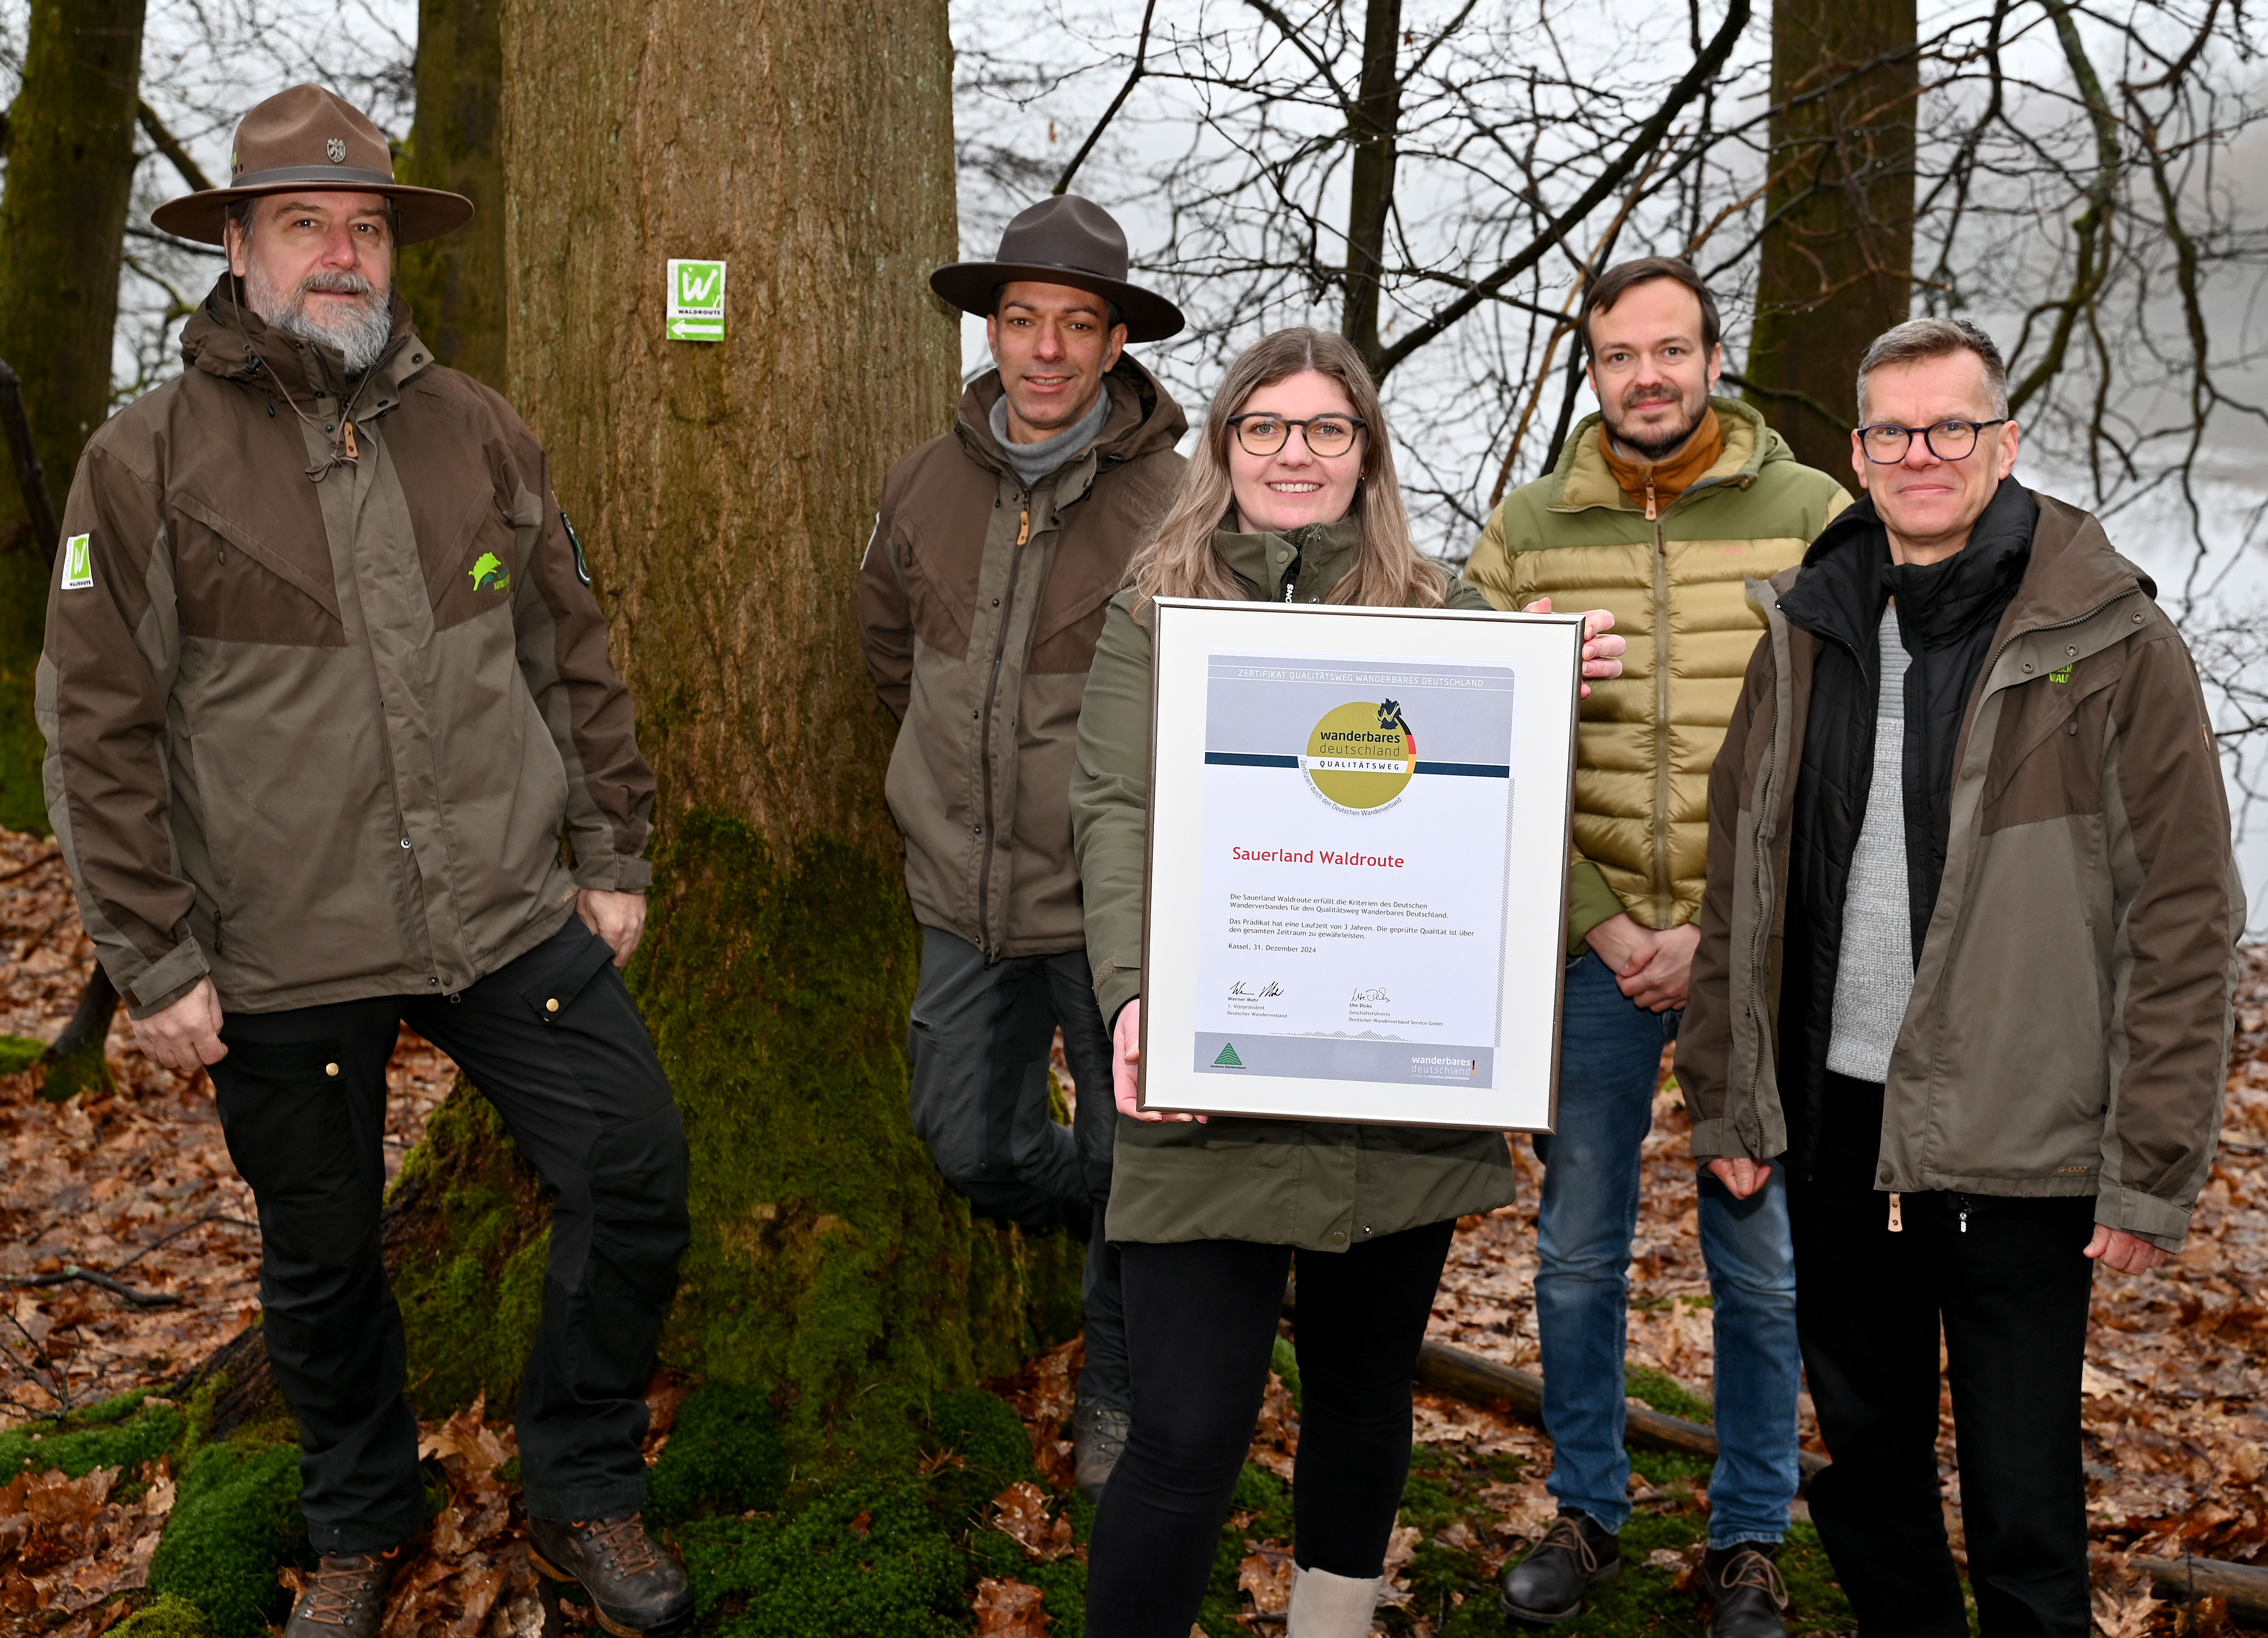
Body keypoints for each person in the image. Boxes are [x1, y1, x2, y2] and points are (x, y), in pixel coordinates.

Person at [42, 86, 692, 1638]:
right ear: (242, 249)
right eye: (303, 224)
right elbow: (94, 729)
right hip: (277, 943)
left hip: (500, 912)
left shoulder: (478, 429)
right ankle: (356, 1519)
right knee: (323, 1258)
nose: (341, 253)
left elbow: (570, 650)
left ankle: (582, 1486)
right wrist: (157, 958)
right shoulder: (144, 460)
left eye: (365, 225)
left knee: (635, 1167)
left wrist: (613, 848)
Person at [1679, 317, 2240, 1638]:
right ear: (1858, 452)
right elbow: (1737, 879)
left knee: (2021, 1503)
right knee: (1867, 1481)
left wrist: (2147, 1161)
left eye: (1950, 428)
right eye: (1891, 431)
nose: (1919, 454)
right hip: (1832, 1133)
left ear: (2003, 443)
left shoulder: (2106, 643)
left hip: (2017, 1141)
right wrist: (1728, 1097)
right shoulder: (1805, 627)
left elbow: (2184, 914)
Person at [1069, 326, 1626, 1638]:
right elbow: (1108, 809)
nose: (1294, 454)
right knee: (1187, 1429)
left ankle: (1330, 1623)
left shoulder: (1446, 616)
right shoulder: (1153, 613)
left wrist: (1546, 699)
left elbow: (1494, 840)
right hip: (1206, 1074)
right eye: (1264, 426)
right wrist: (1135, 994)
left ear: (1365, 453)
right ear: (1223, 449)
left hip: (1395, 1095)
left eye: (1326, 428)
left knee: (1365, 1393)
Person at [1463, 258, 1849, 1637]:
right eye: (1620, 353)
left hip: (1754, 954)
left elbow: (1854, 746)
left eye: (1670, 350)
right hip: (1591, 948)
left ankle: (1747, 1534)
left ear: (1711, 359)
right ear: (1589, 367)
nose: (1647, 375)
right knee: (1574, 1248)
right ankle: (1585, 1508)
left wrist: (1722, 931)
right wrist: (1605, 921)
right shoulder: (1523, 533)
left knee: (1759, 1255)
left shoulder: (1812, 515)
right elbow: (1472, 749)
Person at [856, 194, 1188, 1498]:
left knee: (1132, 1159)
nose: (1045, 350)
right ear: (990, 329)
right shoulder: (920, 482)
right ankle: (1085, 1224)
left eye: (1076, 326)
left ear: (1115, 345)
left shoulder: (1176, 504)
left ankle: (1113, 1378)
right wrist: (948, 772)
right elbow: (889, 645)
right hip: (956, 886)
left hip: (1113, 904)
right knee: (971, 1148)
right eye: (1021, 320)